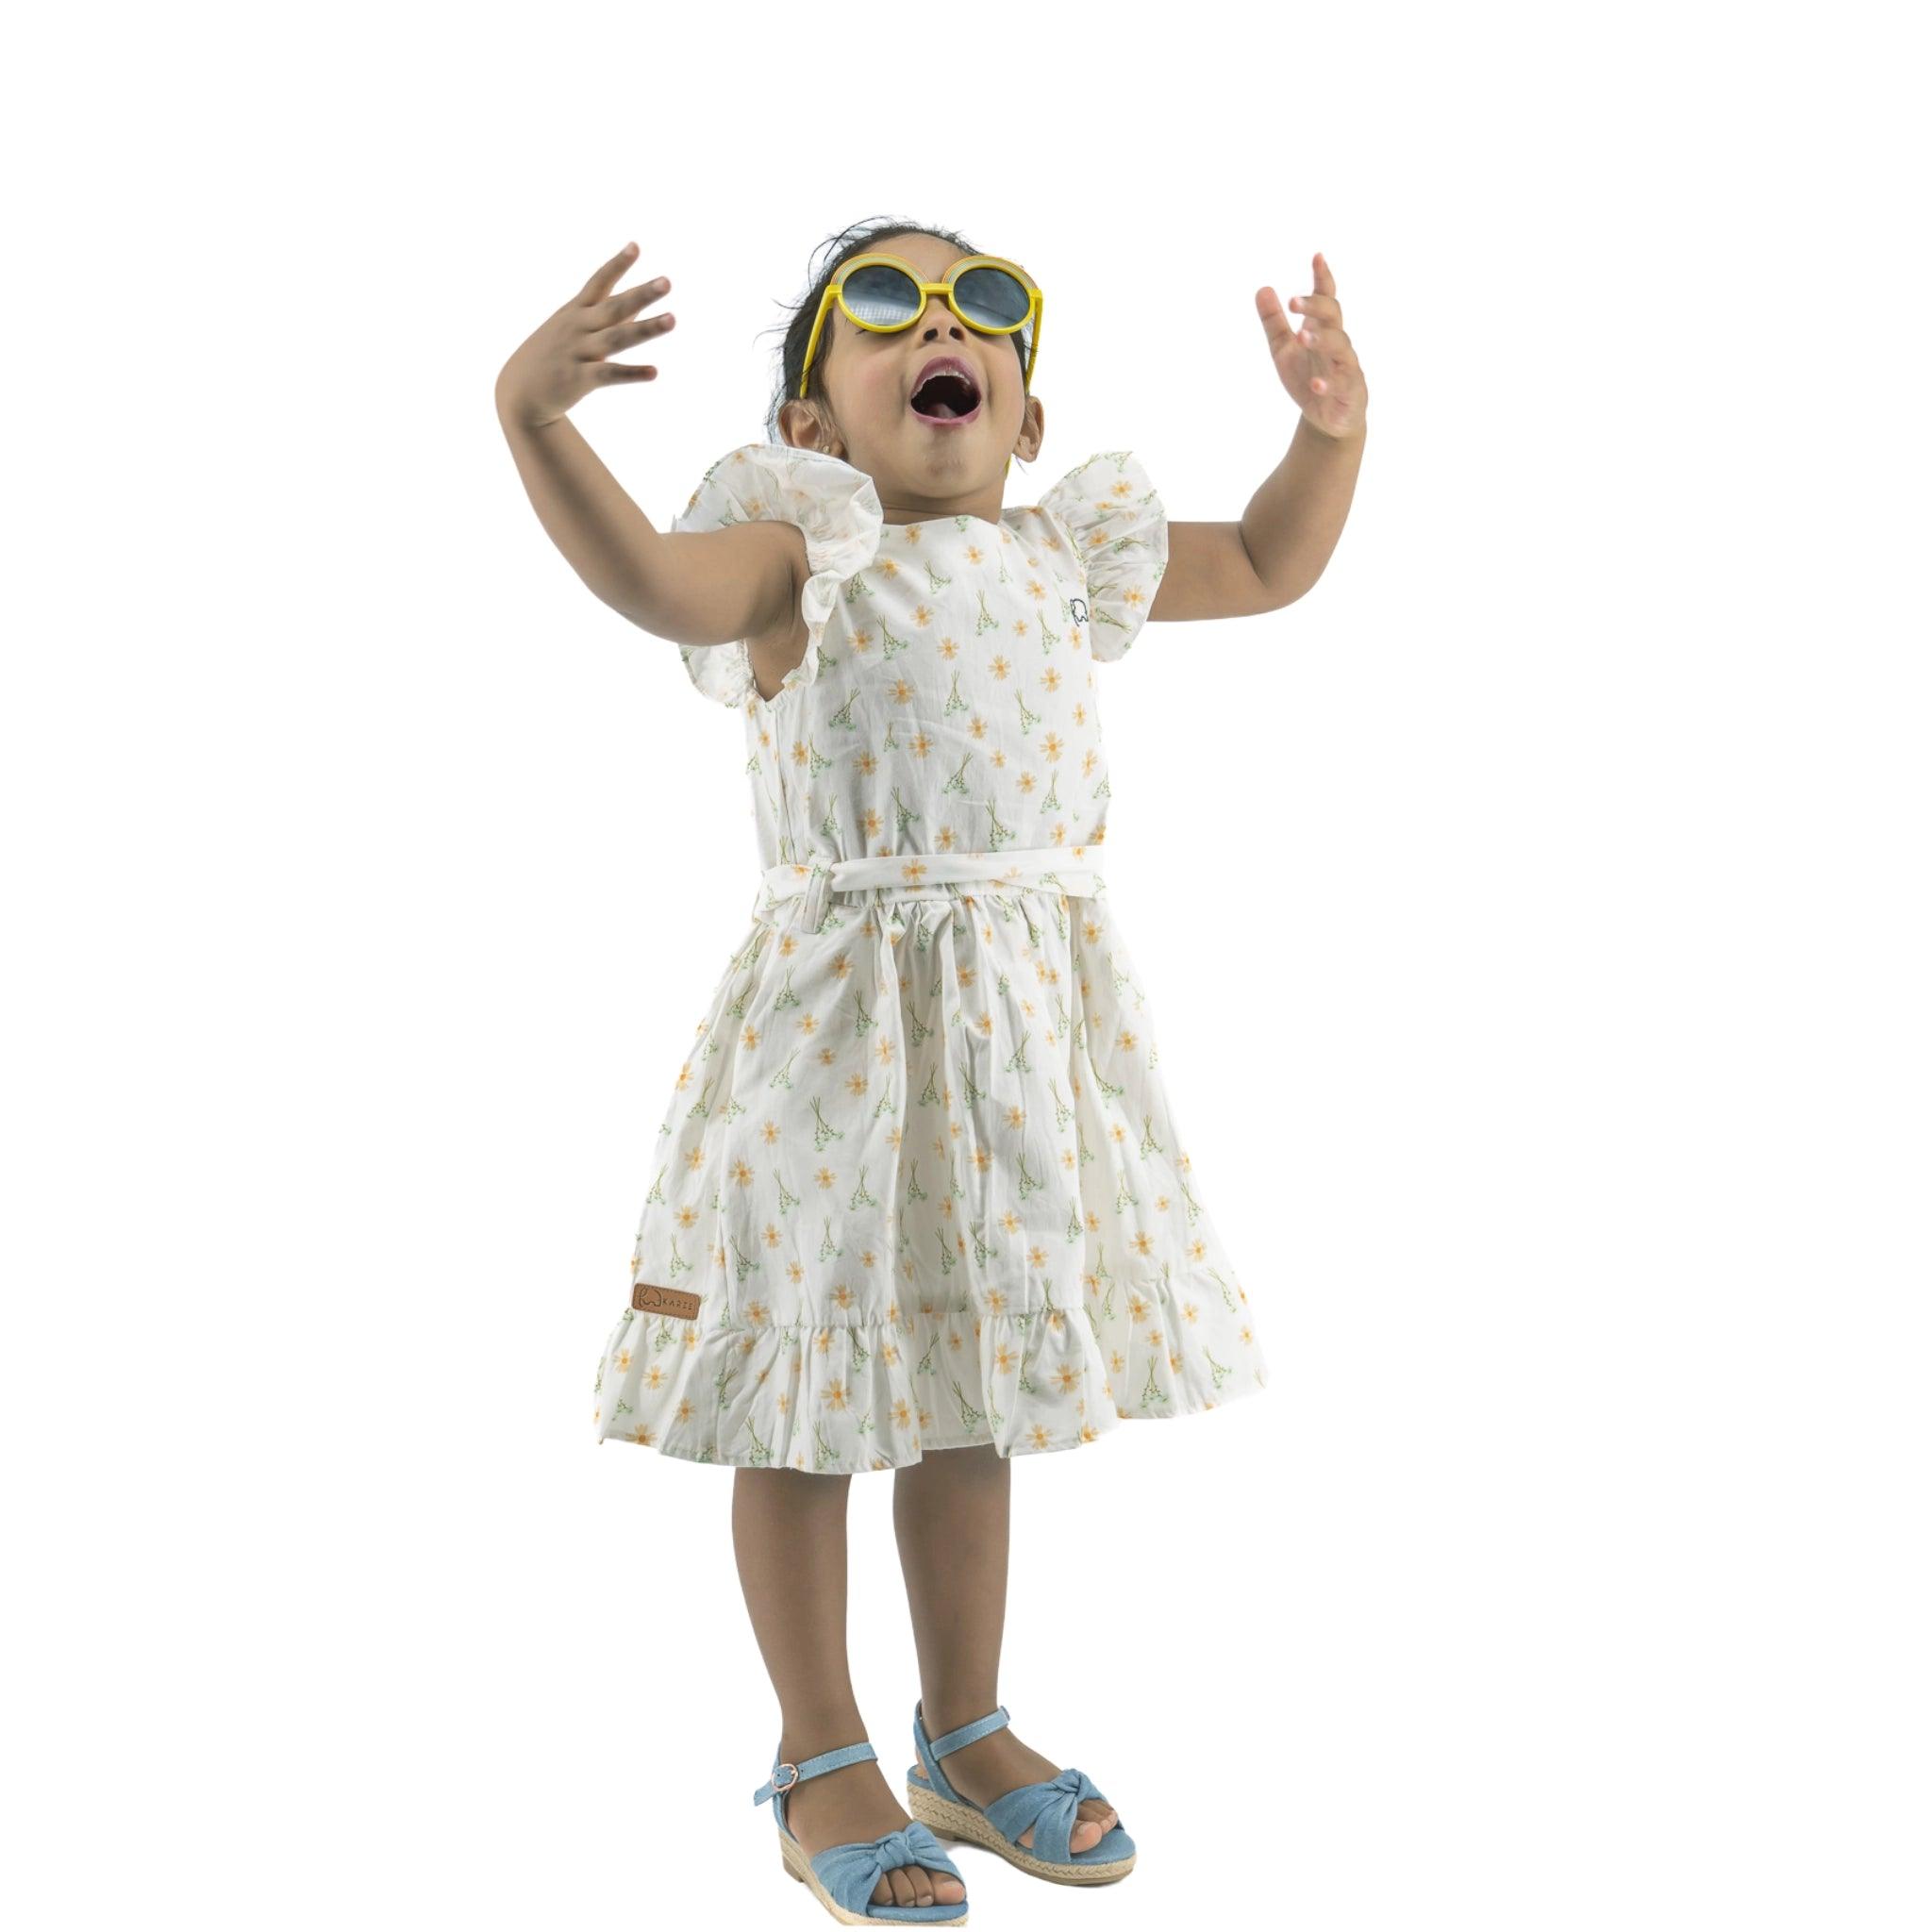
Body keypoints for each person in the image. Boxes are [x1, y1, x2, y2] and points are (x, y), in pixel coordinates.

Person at [495, 219, 1368, 1923]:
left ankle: (964, 1731)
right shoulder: (793, 562)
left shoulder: (1064, 556)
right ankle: (820, 1753)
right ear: (815, 426)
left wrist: (1327, 435)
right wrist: (539, 423)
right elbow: (646, 586)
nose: (940, 327)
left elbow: (1267, 564)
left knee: (974, 1392)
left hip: (1019, 1046)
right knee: (812, 1395)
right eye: (882, 308)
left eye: (986, 310)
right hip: (833, 1048)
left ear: (1025, 415)